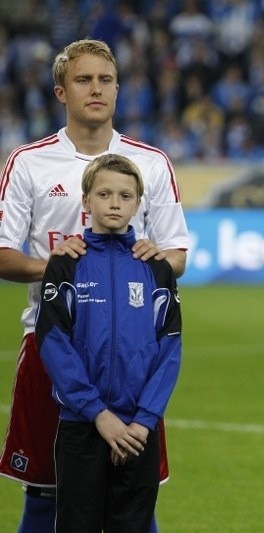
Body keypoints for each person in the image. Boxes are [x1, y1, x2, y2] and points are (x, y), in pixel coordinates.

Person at [0, 39, 189, 532]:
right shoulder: (28, 162)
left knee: (134, 491)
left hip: (133, 354)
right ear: (61, 91)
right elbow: (2, 253)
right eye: (84, 80)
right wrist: (58, 267)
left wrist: (155, 261)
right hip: (53, 346)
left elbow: (177, 253)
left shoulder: (150, 162)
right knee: (44, 491)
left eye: (106, 80)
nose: (96, 89)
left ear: (119, 89)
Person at [36, 153, 182, 532]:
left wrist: (144, 421)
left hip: (138, 430)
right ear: (86, 202)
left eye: (125, 195)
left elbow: (170, 349)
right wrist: (97, 413)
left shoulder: (155, 266)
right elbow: (52, 342)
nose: (115, 203)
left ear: (138, 204)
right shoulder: (66, 263)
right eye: (104, 194)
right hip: (82, 425)